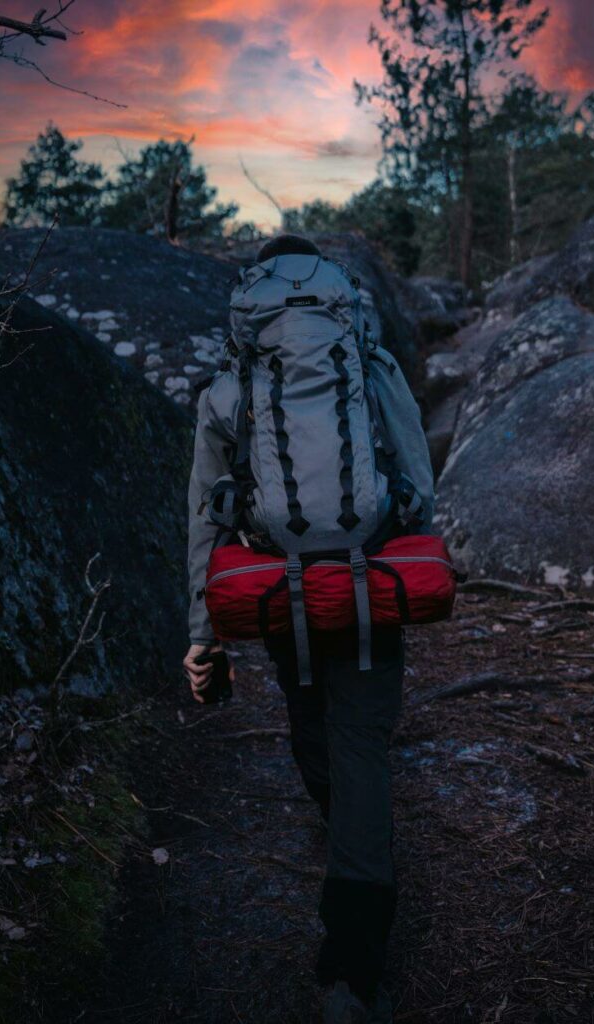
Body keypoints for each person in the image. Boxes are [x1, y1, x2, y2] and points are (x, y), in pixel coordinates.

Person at [182, 234, 434, 1024]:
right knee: (362, 744)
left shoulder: (232, 388)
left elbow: (203, 518)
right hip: (364, 579)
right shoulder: (370, 366)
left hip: (281, 588)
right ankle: (351, 973)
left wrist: (203, 631)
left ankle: (344, 838)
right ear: (339, 303)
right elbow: (418, 486)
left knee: (308, 723)